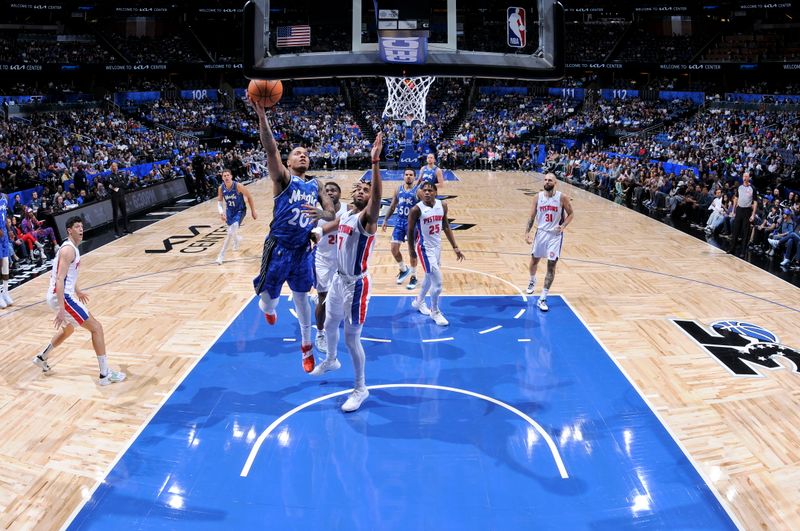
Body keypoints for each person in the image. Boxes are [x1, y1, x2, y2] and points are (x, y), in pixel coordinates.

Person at [249, 97, 335, 374]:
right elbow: (270, 149)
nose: (303, 155)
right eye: (297, 152)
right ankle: (268, 307)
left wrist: (321, 216)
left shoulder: (315, 184)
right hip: (278, 247)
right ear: (287, 161)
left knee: (303, 299)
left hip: (301, 250)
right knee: (268, 300)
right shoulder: (284, 178)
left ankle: (307, 348)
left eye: (306, 153)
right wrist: (262, 116)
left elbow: (331, 212)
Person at [308, 133, 384, 413]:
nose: (362, 191)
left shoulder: (368, 218)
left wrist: (374, 162)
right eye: (359, 188)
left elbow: (376, 198)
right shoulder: (349, 215)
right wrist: (315, 233)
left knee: (352, 339)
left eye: (366, 190)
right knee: (328, 325)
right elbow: (329, 226)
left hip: (357, 286)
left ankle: (360, 388)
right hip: (339, 280)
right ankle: (330, 359)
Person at [33, 216, 126, 385]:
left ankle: (42, 357)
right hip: (62, 297)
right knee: (96, 328)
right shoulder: (68, 250)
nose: (81, 229)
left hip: (59, 295)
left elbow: (68, 276)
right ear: (69, 230)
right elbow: (60, 279)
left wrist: (78, 290)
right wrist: (62, 308)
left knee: (68, 329)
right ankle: (105, 375)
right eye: (77, 227)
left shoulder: (70, 248)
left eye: (81, 226)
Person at [407, 181, 465, 326]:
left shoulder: (442, 205)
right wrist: (411, 251)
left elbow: (446, 225)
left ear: (435, 193)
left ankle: (419, 301)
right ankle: (435, 311)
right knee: (438, 283)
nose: (427, 192)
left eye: (430, 190)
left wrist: (455, 247)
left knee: (429, 276)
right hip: (425, 248)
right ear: (420, 193)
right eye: (424, 190)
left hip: (437, 247)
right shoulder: (416, 209)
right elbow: (409, 231)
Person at [524, 172, 574, 312]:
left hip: (555, 236)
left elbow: (571, 214)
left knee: (551, 265)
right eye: (545, 180)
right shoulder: (537, 197)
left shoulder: (562, 197)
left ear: (555, 183)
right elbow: (531, 216)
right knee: (534, 260)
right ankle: (532, 280)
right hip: (541, 233)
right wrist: (527, 233)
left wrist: (563, 226)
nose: (547, 182)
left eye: (550, 180)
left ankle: (543, 297)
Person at [312, 181, 349, 354]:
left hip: (342, 261)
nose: (330, 193)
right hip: (323, 260)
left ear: (340, 193)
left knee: (340, 298)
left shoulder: (348, 209)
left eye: (333, 190)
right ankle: (320, 333)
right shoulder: (315, 211)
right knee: (323, 298)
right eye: (326, 191)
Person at [381, 167, 419, 289]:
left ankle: (414, 276)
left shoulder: (418, 191)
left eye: (411, 174)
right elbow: (392, 206)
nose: (408, 176)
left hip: (412, 224)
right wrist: (385, 219)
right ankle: (403, 269)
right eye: (406, 174)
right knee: (394, 249)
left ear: (414, 177)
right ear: (403, 176)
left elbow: (424, 207)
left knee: (411, 251)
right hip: (399, 222)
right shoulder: (398, 189)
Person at [216, 168, 258, 265]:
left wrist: (253, 211)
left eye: (228, 175)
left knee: (231, 231)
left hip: (240, 210)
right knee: (232, 230)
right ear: (222, 178)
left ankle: (221, 255)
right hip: (229, 211)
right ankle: (236, 240)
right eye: (224, 176)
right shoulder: (221, 188)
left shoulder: (238, 186)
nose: (226, 177)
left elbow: (250, 197)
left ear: (231, 176)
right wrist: (221, 212)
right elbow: (219, 202)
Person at [728, 172, 757, 256]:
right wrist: (733, 210)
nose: (745, 177)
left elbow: (755, 202)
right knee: (735, 230)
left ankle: (743, 251)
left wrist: (753, 214)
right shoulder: (739, 187)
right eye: (744, 176)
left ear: (749, 178)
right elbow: (735, 199)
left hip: (747, 211)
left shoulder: (753, 188)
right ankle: (732, 249)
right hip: (739, 210)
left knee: (745, 232)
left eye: (746, 176)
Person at [108, 163, 130, 238]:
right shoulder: (110, 176)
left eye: (116, 166)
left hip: (122, 196)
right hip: (115, 197)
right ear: (111, 168)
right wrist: (121, 182)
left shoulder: (120, 175)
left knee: (124, 213)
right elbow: (114, 185)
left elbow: (125, 185)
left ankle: (125, 229)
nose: (115, 167)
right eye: (113, 166)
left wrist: (125, 179)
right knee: (115, 215)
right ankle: (116, 232)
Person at [0, 191, 13, 308]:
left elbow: (5, 218)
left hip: (3, 234)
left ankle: (5, 292)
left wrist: (9, 230)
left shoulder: (4, 198)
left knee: (5, 263)